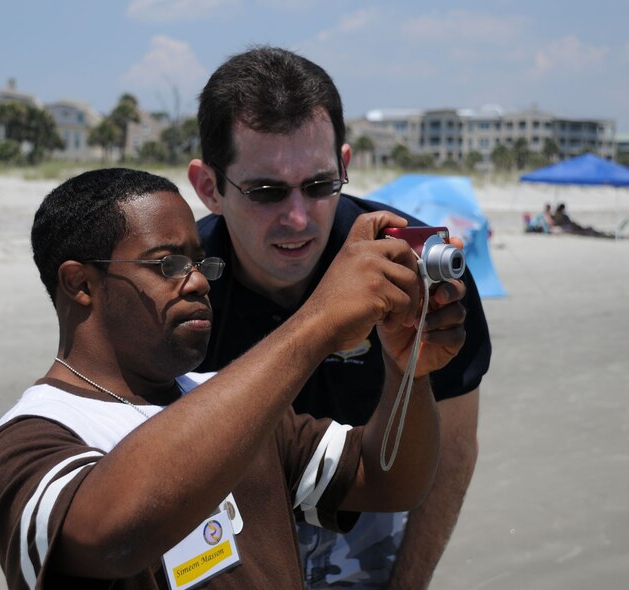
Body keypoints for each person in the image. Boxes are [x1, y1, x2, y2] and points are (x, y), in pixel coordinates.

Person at [0, 168, 467, 588]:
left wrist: (408, 373)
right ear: (81, 284)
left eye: (198, 261)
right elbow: (110, 535)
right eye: (167, 264)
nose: (197, 280)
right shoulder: (29, 438)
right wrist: (317, 322)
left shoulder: (229, 401)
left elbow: (388, 481)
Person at [187, 46, 492, 589]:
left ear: (345, 166)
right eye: (266, 191)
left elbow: (454, 451)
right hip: (228, 518)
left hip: (375, 518)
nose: (298, 217)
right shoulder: (178, 293)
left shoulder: (422, 271)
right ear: (209, 187)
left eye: (320, 184)